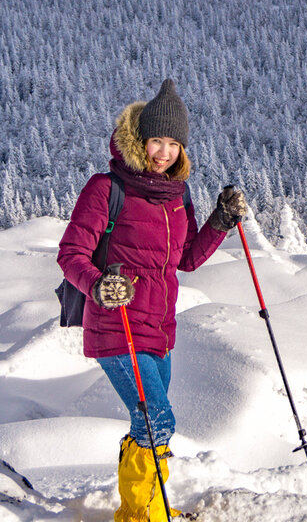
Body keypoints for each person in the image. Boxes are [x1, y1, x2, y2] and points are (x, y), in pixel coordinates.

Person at [57, 79, 248, 521]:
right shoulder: (106, 188)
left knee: (148, 424)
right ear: (139, 141)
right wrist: (99, 285)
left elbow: (185, 259)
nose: (164, 152)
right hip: (116, 324)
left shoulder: (177, 194)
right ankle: (142, 516)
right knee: (158, 419)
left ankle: (145, 506)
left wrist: (220, 221)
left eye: (174, 143)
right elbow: (71, 255)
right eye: (157, 140)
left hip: (159, 329)